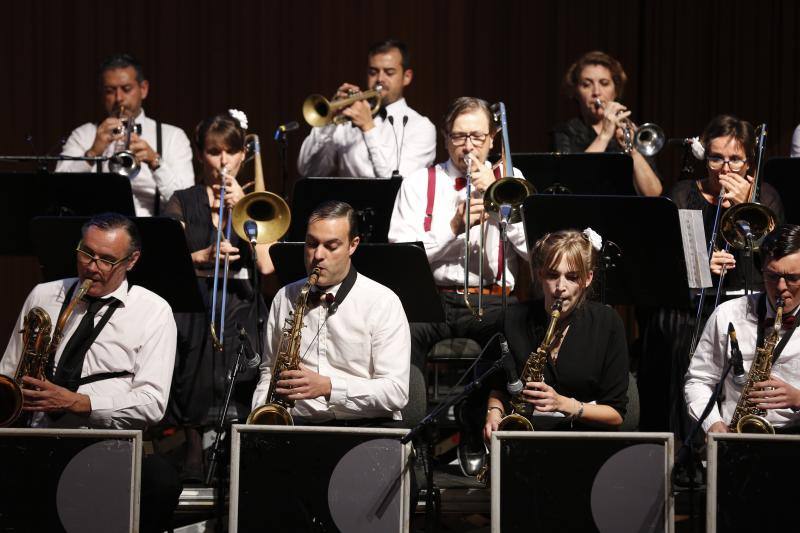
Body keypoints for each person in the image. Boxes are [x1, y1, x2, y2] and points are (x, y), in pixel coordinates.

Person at [0, 213, 180, 532]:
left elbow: (152, 402)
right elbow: (9, 371)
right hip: (37, 438)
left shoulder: (154, 310)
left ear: (132, 260)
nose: (92, 267)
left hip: (107, 445)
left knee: (161, 481)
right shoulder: (44, 294)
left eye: (107, 260)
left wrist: (78, 403)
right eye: (86, 253)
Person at [388, 96, 529, 474]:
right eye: (459, 136)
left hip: (493, 297)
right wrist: (452, 228)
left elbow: (538, 253)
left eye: (477, 137)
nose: (468, 146)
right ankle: (412, 439)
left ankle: (475, 427)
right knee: (401, 334)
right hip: (432, 297)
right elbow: (403, 255)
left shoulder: (514, 183)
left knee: (511, 333)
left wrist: (506, 210)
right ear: (445, 139)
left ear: (494, 139)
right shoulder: (419, 183)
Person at [161, 111, 272, 481]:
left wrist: (244, 208)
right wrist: (202, 256)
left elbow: (268, 266)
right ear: (200, 155)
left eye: (230, 151)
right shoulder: (183, 199)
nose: (222, 161)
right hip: (194, 292)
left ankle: (238, 442)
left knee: (243, 342)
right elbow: (167, 257)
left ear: (243, 155)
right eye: (213, 152)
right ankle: (193, 443)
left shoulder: (257, 202)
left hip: (240, 294)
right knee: (190, 335)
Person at [251, 200, 410, 424]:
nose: (318, 255)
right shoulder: (285, 297)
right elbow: (269, 370)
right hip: (297, 425)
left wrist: (328, 387)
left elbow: (396, 392)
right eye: (311, 244)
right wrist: (262, 412)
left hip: (363, 428)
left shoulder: (382, 302)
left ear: (353, 245)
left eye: (331, 246)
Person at [484, 229, 629, 440]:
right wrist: (494, 413)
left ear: (587, 278)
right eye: (553, 275)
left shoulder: (607, 323)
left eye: (572, 277)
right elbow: (498, 387)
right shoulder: (512, 319)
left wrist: (564, 404)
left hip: (585, 441)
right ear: (540, 274)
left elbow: (616, 414)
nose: (560, 287)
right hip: (526, 439)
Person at [685, 224, 800, 434]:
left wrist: (798, 399)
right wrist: (712, 424)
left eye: (793, 278)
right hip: (736, 434)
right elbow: (699, 381)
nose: (782, 287)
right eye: (773, 277)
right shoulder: (727, 314)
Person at [57, 53, 194, 216]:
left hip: (154, 232)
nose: (119, 98)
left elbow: (189, 202)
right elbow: (58, 190)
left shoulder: (173, 136)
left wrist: (156, 162)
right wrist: (92, 153)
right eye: (110, 91)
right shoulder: (84, 134)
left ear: (143, 89)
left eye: (126, 89)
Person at [297, 39, 436, 178]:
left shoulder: (421, 127)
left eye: (389, 72)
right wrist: (328, 121)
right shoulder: (346, 120)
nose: (380, 79)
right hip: (346, 200)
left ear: (407, 77)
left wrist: (368, 127)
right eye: (373, 72)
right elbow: (308, 171)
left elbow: (394, 183)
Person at [553, 50, 662, 197]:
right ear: (575, 91)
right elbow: (572, 184)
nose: (596, 92)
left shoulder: (631, 133)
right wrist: (604, 135)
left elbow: (653, 193)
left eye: (604, 83)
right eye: (587, 84)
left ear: (616, 90)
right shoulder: (565, 131)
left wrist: (632, 150)